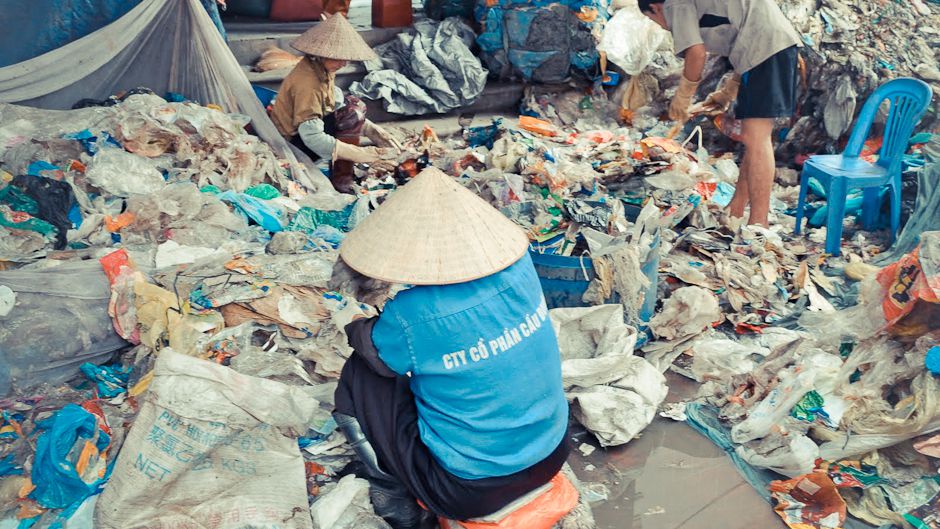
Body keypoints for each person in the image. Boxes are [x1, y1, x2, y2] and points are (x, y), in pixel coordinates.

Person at [331, 167, 571, 528]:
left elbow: (373, 352)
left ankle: (393, 496)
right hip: (554, 451)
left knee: (360, 372)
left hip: (469, 489)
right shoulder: (521, 268)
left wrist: (355, 324)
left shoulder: (412, 312)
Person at [639, 0, 802, 227]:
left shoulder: (673, 4)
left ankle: (758, 224)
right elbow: (744, 30)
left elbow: (696, 53)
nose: (659, 25)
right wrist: (728, 91)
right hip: (765, 50)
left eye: (651, 19)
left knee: (758, 140)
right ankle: (736, 209)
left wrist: (683, 97)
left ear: (655, 8)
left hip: (767, 49)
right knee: (752, 138)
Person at [271, 14, 400, 194]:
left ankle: (345, 167)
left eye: (345, 59)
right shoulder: (308, 83)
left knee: (355, 105)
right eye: (338, 58)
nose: (344, 64)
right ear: (321, 55)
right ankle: (341, 180)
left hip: (306, 133)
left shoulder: (321, 67)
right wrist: (359, 154)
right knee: (352, 114)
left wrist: (371, 129)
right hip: (293, 144)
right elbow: (312, 137)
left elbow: (335, 103)